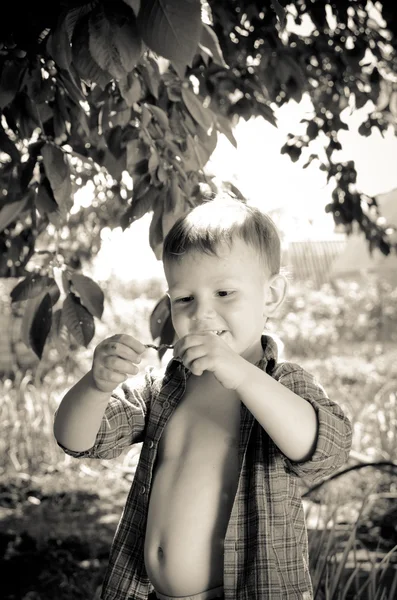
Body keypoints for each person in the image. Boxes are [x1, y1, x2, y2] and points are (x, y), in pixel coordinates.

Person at [54, 196, 352, 600]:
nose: (202, 314)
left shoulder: (280, 384)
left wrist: (242, 374)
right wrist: (96, 384)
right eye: (185, 299)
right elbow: (78, 440)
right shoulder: (164, 385)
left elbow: (326, 448)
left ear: (271, 295)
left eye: (225, 293)